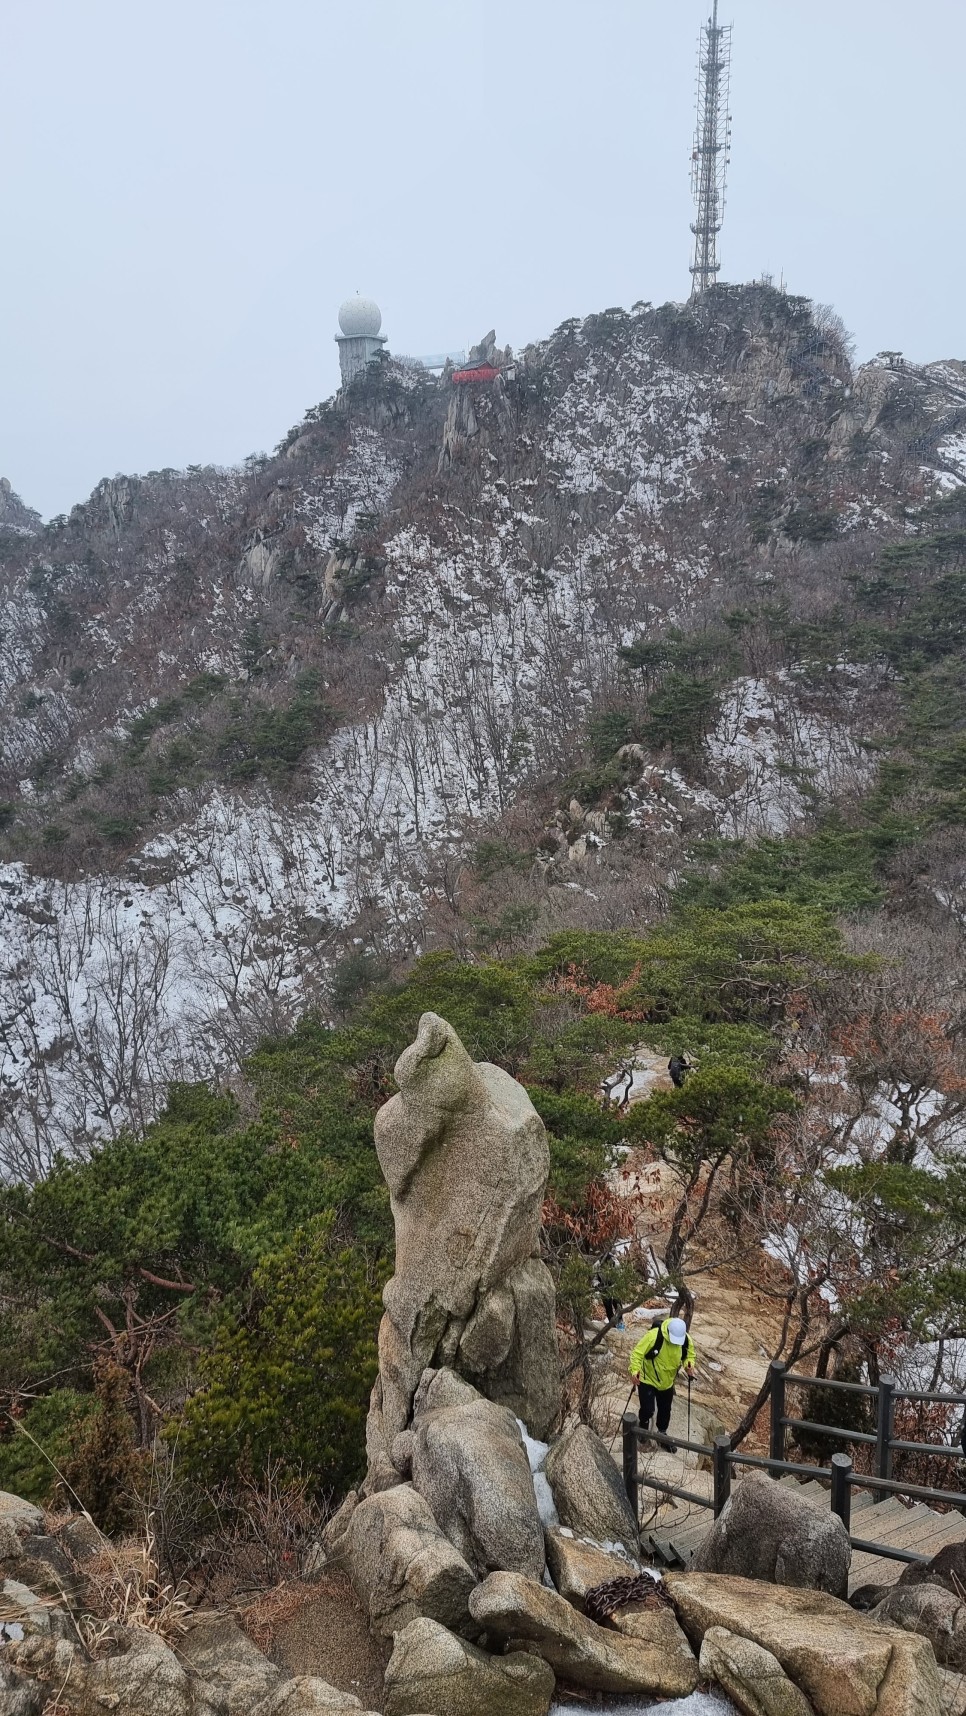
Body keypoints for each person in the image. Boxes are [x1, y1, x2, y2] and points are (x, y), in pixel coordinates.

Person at [629, 1315, 696, 1448]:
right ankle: (643, 1427)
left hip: (667, 1382)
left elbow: (689, 1354)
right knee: (648, 1409)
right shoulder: (653, 1336)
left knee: (665, 1410)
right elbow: (637, 1354)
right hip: (648, 1379)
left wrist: (689, 1364)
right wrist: (634, 1370)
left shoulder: (685, 1339)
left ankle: (662, 1434)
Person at [595, 1251, 624, 1330]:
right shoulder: (596, 1266)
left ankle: (620, 1321)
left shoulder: (616, 1265)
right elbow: (594, 1279)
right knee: (607, 1305)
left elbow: (620, 1279)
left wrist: (613, 1285)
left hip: (615, 1285)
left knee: (617, 1302)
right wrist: (598, 1284)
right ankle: (612, 1324)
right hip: (603, 1287)